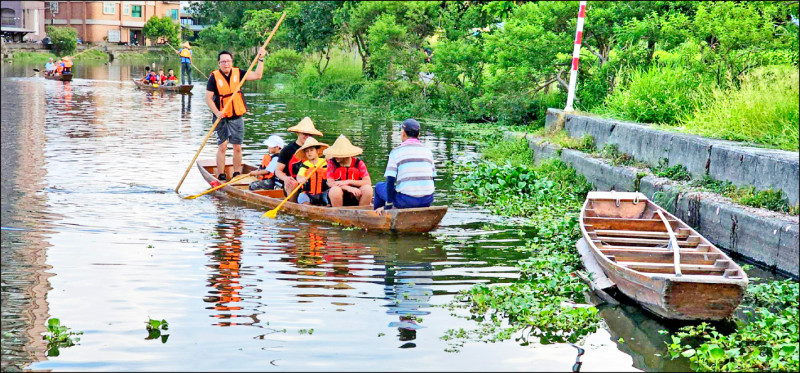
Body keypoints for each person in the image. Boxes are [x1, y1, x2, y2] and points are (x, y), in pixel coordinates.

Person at [206, 48, 267, 181]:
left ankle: (237, 173)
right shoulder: (214, 77)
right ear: (219, 64)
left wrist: (261, 59)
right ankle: (221, 174)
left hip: (236, 115)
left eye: (228, 61)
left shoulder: (238, 73)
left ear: (232, 62)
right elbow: (208, 98)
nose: (226, 64)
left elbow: (257, 75)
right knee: (222, 146)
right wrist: (217, 112)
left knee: (237, 146)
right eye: (223, 62)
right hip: (221, 116)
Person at [374, 119, 436, 215]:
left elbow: (390, 180)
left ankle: (377, 219)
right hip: (427, 200)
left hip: (406, 201)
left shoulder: (396, 152)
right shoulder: (428, 152)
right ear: (418, 134)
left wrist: (388, 204)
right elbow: (432, 178)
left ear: (403, 133)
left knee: (379, 187)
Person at [274, 117, 324, 200]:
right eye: (304, 134)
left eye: (310, 134)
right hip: (294, 184)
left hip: (312, 185)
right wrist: (285, 179)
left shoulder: (317, 150)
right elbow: (278, 171)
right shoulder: (287, 150)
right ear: (298, 133)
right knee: (292, 183)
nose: (307, 136)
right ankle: (293, 206)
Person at [324, 134, 373, 207]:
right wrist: (347, 187)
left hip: (355, 195)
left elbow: (367, 182)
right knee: (335, 190)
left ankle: (361, 212)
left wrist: (348, 182)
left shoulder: (359, 163)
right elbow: (330, 183)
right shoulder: (332, 163)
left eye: (338, 154)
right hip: (338, 195)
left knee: (368, 189)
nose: (335, 156)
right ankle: (338, 213)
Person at [294, 138, 330, 206]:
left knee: (330, 195)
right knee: (301, 197)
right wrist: (301, 179)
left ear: (317, 151)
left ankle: (327, 205)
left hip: (323, 193)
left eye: (311, 150)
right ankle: (309, 207)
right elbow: (299, 176)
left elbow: (330, 175)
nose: (309, 153)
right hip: (309, 194)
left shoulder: (325, 162)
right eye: (307, 151)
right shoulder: (305, 165)